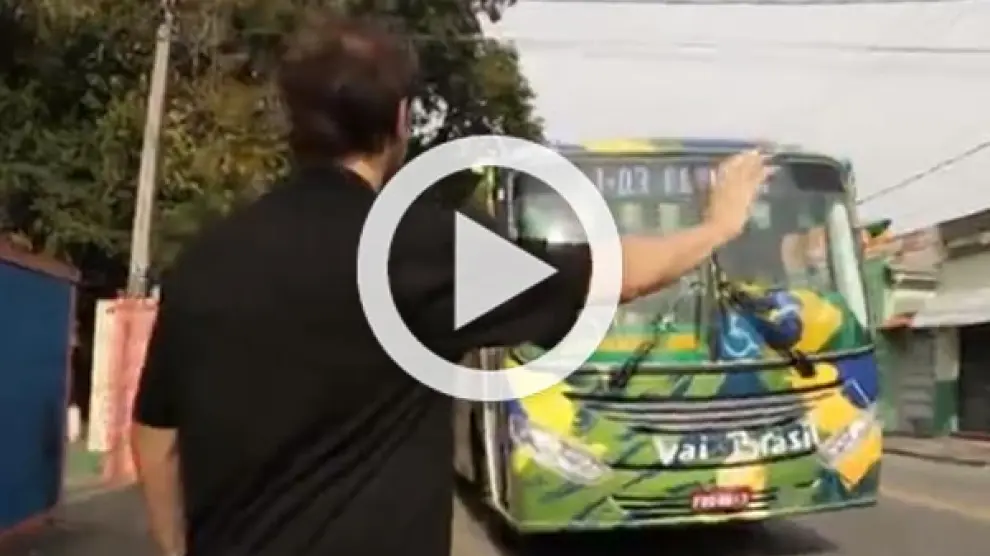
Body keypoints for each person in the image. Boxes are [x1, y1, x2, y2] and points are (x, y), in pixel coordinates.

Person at [130, 13, 771, 556]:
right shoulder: (417, 248)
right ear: (401, 119)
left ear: (295, 122)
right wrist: (716, 227)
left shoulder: (205, 261)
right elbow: (614, 274)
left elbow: (154, 439)